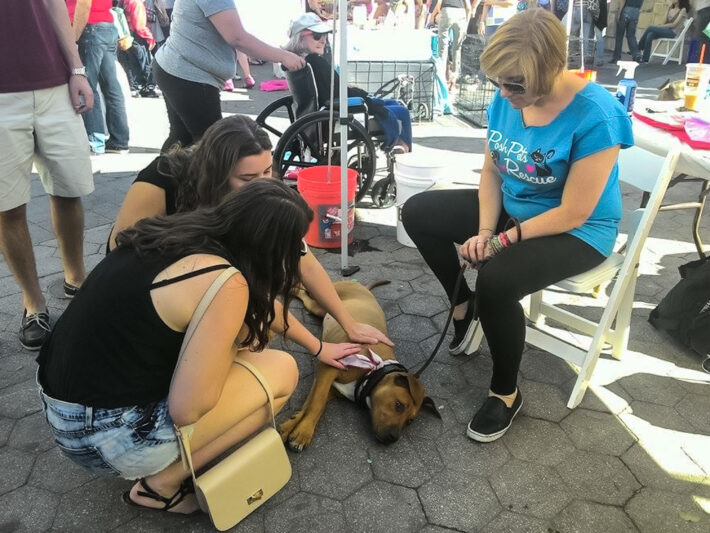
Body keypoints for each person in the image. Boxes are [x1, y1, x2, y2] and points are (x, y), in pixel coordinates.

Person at [402, 9, 633, 442]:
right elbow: (491, 173)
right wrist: (486, 232)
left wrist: (501, 242)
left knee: (497, 279)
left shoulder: (597, 115)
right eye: (499, 83)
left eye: (516, 86)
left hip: (578, 230)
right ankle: (464, 307)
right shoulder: (509, 95)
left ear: (550, 71)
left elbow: (575, 212)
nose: (504, 94)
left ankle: (506, 393)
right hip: (517, 209)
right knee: (418, 212)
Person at [37, 180, 337, 514]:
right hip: (104, 440)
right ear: (268, 250)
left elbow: (257, 308)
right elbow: (187, 409)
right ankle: (161, 485)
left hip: (60, 410)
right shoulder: (226, 282)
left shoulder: (175, 233)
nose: (297, 259)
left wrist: (318, 347)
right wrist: (237, 342)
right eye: (295, 249)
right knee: (281, 372)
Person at [108, 114, 393, 359]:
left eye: (267, 172)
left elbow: (303, 260)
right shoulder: (164, 176)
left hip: (204, 275)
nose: (262, 185)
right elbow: (119, 249)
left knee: (253, 339)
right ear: (217, 174)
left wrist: (348, 323)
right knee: (243, 331)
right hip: (153, 285)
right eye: (247, 179)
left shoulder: (255, 198)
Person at [0, 0, 94, 351]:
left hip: (54, 82)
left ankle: (77, 280)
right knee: (8, 207)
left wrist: (77, 69)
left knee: (70, 190)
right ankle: (33, 304)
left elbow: (53, 5)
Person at [153, 0, 305, 152]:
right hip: (188, 74)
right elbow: (237, 38)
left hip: (178, 68)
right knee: (212, 147)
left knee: (182, 139)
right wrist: (283, 56)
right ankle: (156, 176)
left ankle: (154, 176)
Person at [284, 12, 413, 152]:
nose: (323, 40)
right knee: (402, 111)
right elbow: (337, 92)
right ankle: (402, 148)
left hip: (317, 116)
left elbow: (330, 90)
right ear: (300, 38)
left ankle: (399, 146)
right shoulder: (316, 62)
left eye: (325, 36)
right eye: (316, 36)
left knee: (392, 103)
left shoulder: (299, 62)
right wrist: (363, 95)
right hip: (335, 114)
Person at [67, 0, 131, 154]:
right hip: (107, 26)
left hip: (91, 28)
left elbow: (84, 5)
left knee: (88, 85)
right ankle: (119, 141)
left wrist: (73, 37)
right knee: (111, 86)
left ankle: (95, 139)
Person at [432, 0, 471, 91]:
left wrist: (439, 13)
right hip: (461, 13)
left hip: (447, 10)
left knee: (443, 47)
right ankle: (454, 78)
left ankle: (441, 77)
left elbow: (439, 3)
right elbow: (469, 8)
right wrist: (466, 25)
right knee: (457, 48)